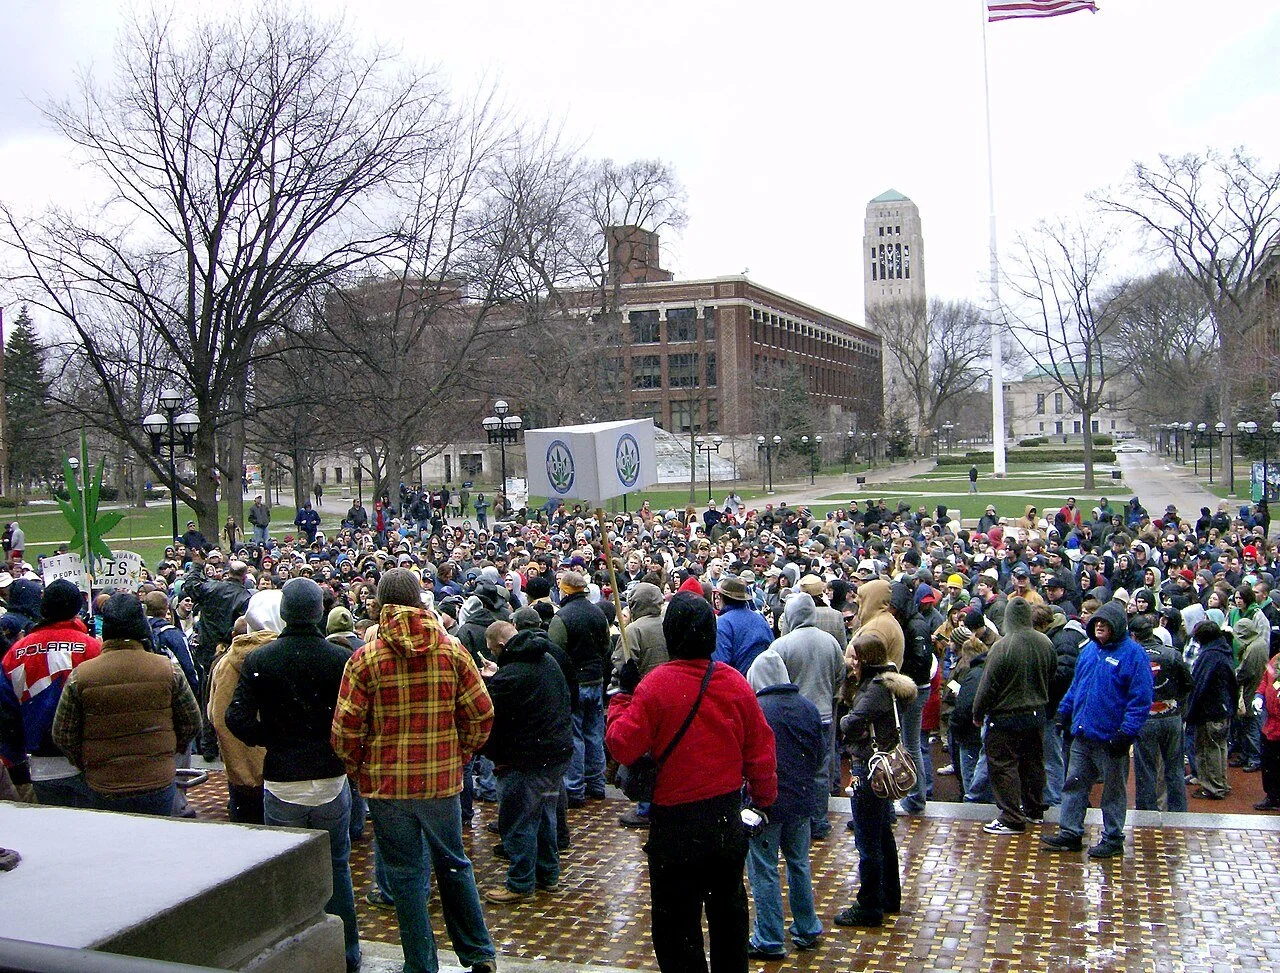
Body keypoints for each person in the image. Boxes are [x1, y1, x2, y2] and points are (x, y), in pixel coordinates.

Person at [330, 568, 497, 973]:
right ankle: (478, 953)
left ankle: (420, 964)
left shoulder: (365, 659)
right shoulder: (452, 651)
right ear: (420, 600)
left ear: (381, 604)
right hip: (440, 781)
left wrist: (359, 768)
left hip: (388, 786)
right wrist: (459, 755)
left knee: (405, 877)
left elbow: (345, 730)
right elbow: (481, 713)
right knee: (454, 864)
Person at [606, 591, 777, 973]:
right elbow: (761, 751)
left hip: (676, 826)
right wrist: (763, 803)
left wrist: (622, 696)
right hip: (724, 819)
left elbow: (622, 744)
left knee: (676, 927)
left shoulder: (655, 686)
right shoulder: (734, 683)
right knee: (729, 917)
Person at [225, 578, 362, 973]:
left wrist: (270, 739)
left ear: (284, 614)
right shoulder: (338, 659)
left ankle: (293, 956)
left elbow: (234, 716)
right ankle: (347, 953)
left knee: (287, 873)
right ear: (318, 613)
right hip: (330, 775)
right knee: (337, 867)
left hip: (283, 777)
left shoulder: (262, 660)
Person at [52, 593, 200, 816]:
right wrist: (166, 752)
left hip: (104, 782)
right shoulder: (167, 670)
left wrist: (87, 762)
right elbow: (191, 723)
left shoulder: (81, 676)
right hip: (156, 780)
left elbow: (63, 733)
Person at [1042, 602, 1153, 859]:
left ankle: (1113, 837)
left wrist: (1126, 733)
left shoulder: (1134, 655)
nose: (1099, 626)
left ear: (1118, 626)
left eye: (1104, 623)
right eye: (1096, 623)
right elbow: (1077, 686)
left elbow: (1140, 699)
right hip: (1082, 734)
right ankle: (1070, 832)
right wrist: (1064, 712)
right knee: (1074, 785)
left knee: (1113, 792)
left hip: (1111, 738)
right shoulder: (1089, 650)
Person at [480, 620, 573, 904]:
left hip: (527, 759)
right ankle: (548, 875)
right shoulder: (547, 658)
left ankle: (520, 883)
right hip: (556, 754)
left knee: (519, 820)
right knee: (544, 816)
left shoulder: (511, 677)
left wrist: (490, 681)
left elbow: (494, 714)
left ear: (499, 646)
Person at [743, 648, 825, 959]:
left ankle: (769, 936)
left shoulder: (757, 708)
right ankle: (806, 927)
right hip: (801, 801)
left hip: (766, 803)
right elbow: (818, 756)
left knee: (764, 869)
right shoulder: (808, 707)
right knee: (799, 863)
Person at [836, 629, 916, 928]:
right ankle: (889, 895)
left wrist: (846, 718)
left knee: (867, 839)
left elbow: (851, 722)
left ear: (866, 659)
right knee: (883, 833)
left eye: (855, 657)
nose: (850, 662)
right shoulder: (889, 683)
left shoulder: (875, 690)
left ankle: (869, 904)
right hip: (882, 766)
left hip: (868, 768)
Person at [0, 580, 102, 806]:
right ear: (77, 608)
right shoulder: (93, 649)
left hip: (39, 769)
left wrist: (15, 766)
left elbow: (6, 715)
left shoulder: (14, 654)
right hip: (89, 765)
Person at [971, 596, 1056, 835]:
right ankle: (1034, 809)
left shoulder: (1002, 646)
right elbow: (1052, 672)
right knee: (1033, 763)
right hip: (1037, 713)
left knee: (1003, 765)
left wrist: (978, 712)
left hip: (1006, 716)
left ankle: (1011, 817)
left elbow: (987, 686)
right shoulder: (1045, 642)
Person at [766, 592, 844, 840]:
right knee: (821, 770)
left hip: (792, 717)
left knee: (790, 767)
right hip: (823, 715)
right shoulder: (830, 642)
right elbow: (840, 676)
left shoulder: (782, 645)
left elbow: (772, 679)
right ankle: (819, 821)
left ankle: (795, 821)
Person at [209, 594, 279, 824]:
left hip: (240, 770)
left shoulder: (224, 664)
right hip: (284, 770)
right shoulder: (285, 656)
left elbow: (215, 715)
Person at [547, 569, 609, 806]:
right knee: (594, 733)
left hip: (574, 683)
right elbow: (605, 647)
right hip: (596, 680)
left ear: (565, 590)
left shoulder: (562, 617)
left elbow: (556, 652)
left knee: (576, 735)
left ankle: (575, 788)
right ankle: (597, 783)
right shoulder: (599, 613)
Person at [1130, 613, 1193, 812]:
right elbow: (1188, 684)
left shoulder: (1132, 655)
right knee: (1174, 768)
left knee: (1145, 768)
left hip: (1145, 717)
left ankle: (1146, 813)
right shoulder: (1172, 653)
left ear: (1133, 635)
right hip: (1171, 715)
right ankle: (1179, 813)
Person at [1183, 617, 1236, 800]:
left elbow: (1199, 685)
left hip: (1209, 711)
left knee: (1208, 749)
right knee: (1220, 747)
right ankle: (1220, 782)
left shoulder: (1209, 656)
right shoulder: (1224, 651)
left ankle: (1212, 787)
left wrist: (1190, 712)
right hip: (1223, 709)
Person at [713, 574, 774, 674]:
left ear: (721, 597)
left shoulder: (723, 623)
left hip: (738, 683)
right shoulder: (759, 618)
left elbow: (720, 666)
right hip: (764, 680)